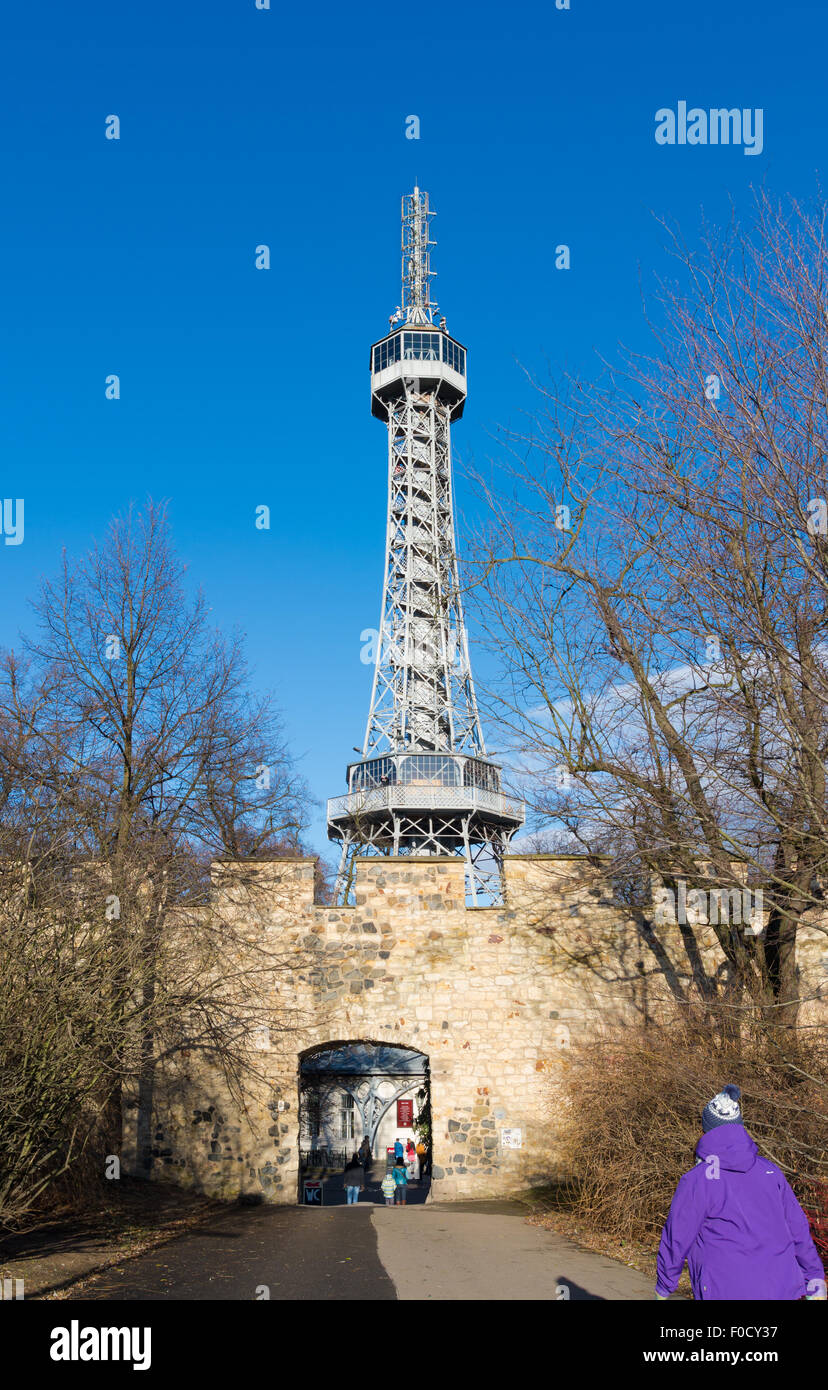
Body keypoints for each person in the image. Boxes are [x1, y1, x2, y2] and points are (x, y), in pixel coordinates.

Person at [655, 1084, 827, 1301]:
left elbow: (677, 1237)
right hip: (781, 1288)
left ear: (706, 1130)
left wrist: (664, 1286)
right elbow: (798, 1228)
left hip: (725, 1289)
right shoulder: (769, 1171)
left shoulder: (700, 1179)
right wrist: (814, 1279)